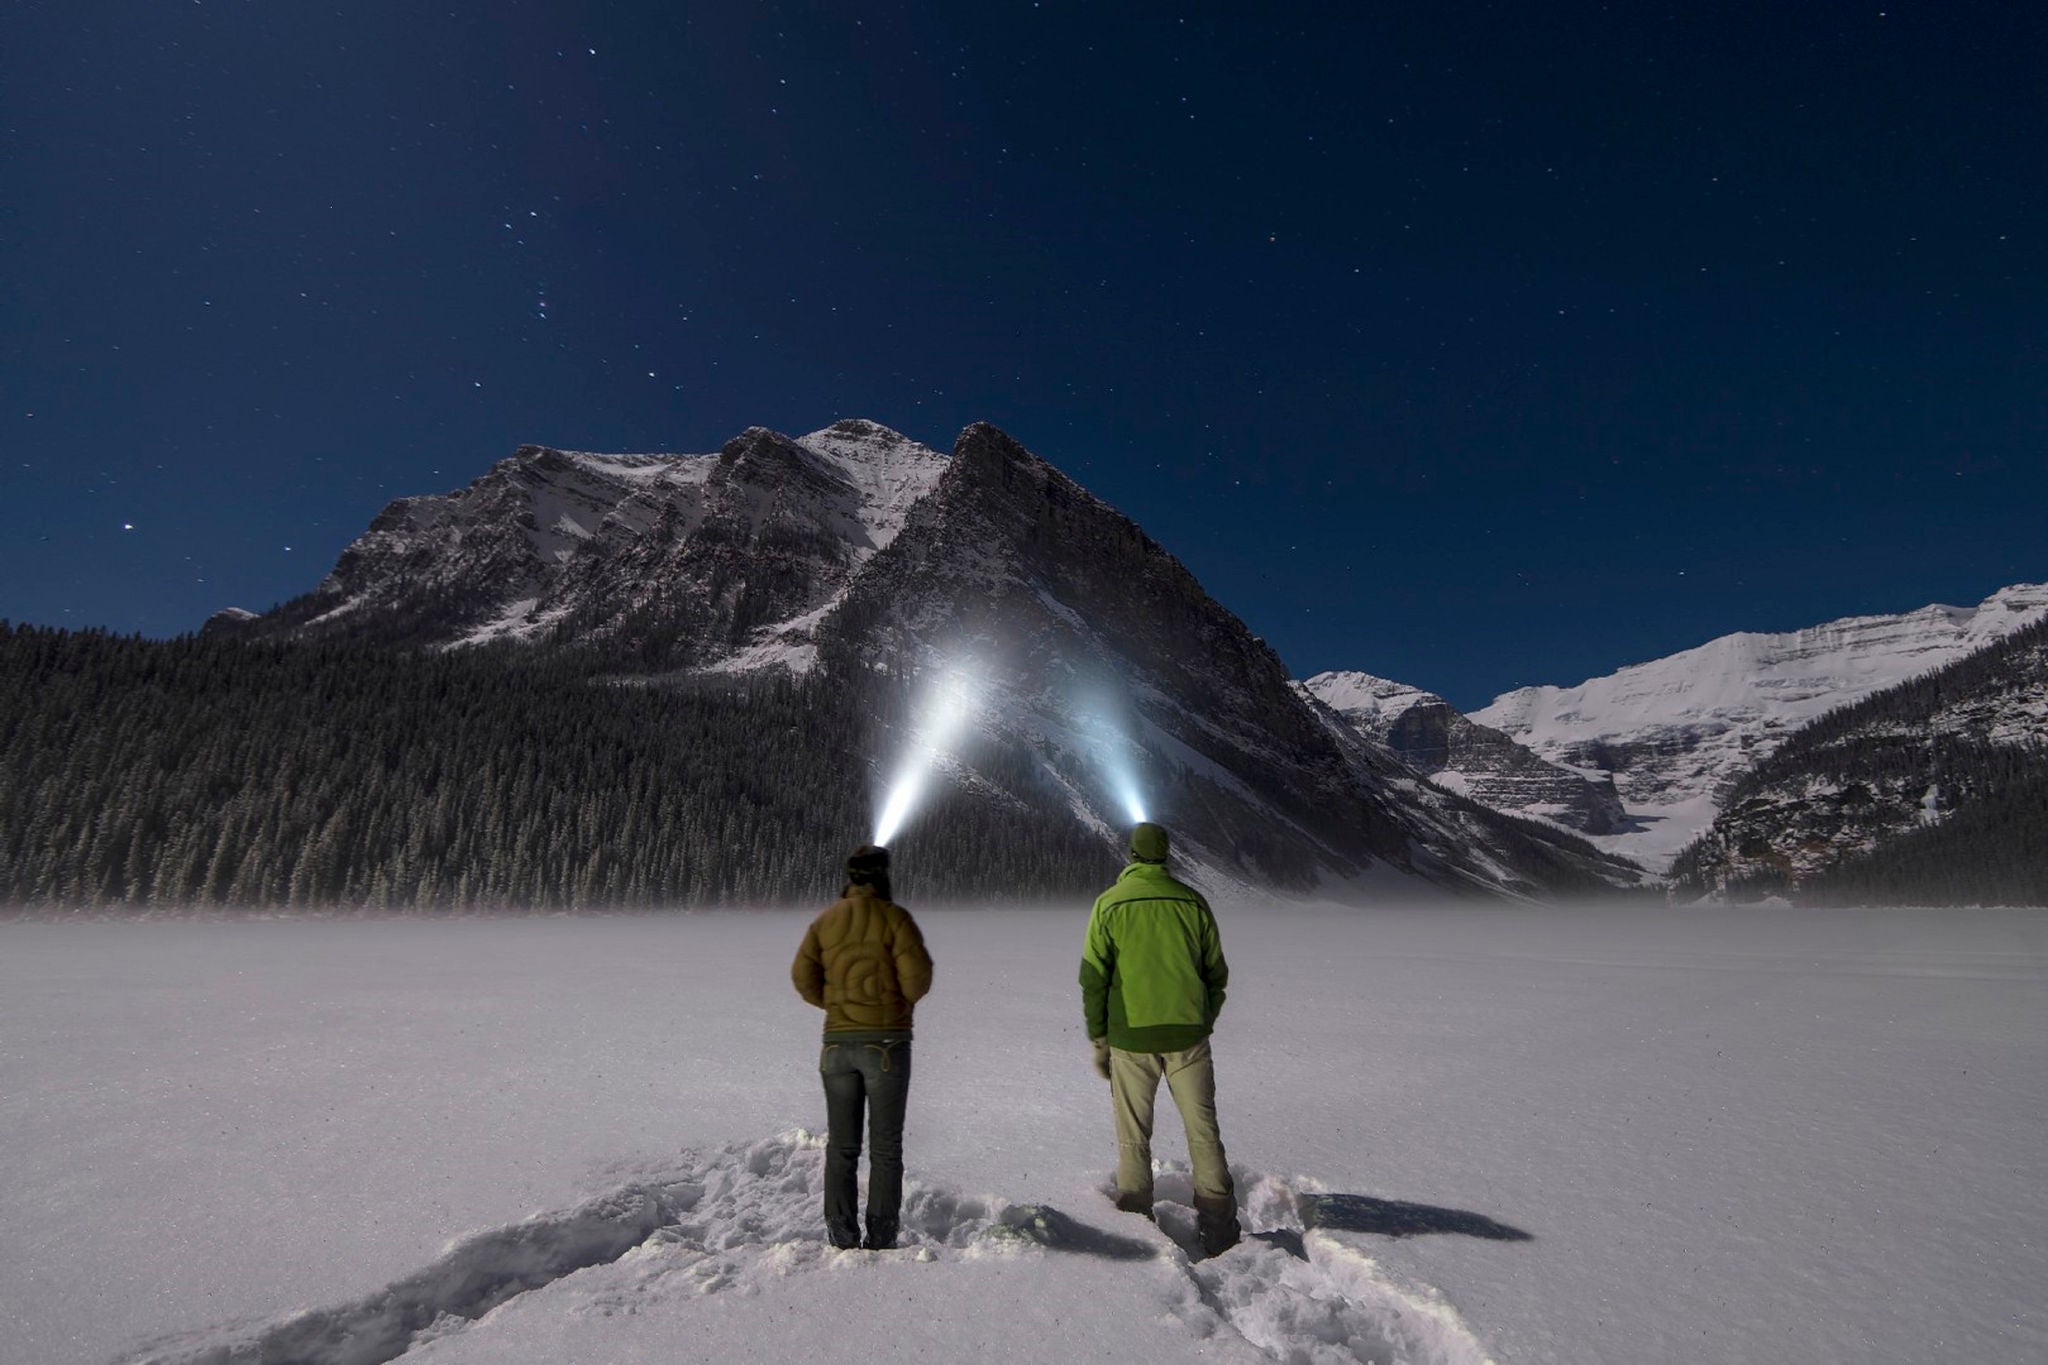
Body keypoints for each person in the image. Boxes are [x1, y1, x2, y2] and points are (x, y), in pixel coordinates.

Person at [1079, 821, 1242, 1257]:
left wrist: (1099, 1038)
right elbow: (1216, 973)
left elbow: (1093, 978)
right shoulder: (1193, 902)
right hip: (1189, 1036)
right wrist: (1202, 1018)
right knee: (1203, 1130)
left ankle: (1136, 1222)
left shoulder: (1109, 905)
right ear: (1166, 855)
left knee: (1133, 1134)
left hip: (1130, 1039)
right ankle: (1221, 1231)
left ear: (1131, 855)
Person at [791, 844, 933, 1250]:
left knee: (842, 1145)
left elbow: (803, 978)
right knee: (886, 1146)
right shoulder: (896, 920)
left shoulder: (825, 921)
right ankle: (882, 1233)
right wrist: (888, 1006)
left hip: (836, 1046)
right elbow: (918, 981)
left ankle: (841, 1230)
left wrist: (838, 1007)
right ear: (883, 875)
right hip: (887, 1045)